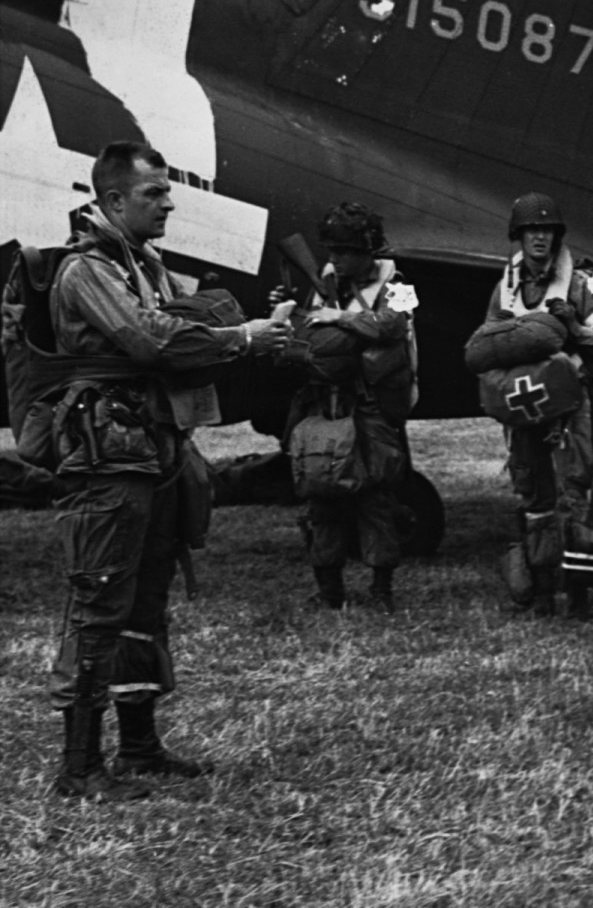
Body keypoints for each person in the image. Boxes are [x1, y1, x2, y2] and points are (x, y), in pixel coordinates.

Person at [30, 142, 288, 800]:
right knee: (99, 603)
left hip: (153, 451)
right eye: (154, 193)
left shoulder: (138, 264)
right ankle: (81, 766)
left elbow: (192, 316)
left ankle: (139, 745)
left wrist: (252, 322)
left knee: (145, 603)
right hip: (109, 457)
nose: (169, 202)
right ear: (115, 200)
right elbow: (157, 341)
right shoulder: (86, 271)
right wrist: (246, 338)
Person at [278, 202, 417, 612]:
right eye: (330, 251)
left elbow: (394, 323)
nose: (333, 259)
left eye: (342, 252)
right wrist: (290, 307)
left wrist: (339, 316)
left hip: (371, 407)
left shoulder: (399, 281)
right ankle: (329, 590)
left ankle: (381, 591)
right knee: (322, 494)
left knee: (376, 497)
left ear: (366, 252)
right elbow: (310, 329)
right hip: (328, 403)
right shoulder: (327, 279)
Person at [485, 193, 593, 617]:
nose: (539, 237)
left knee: (573, 491)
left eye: (546, 230)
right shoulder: (506, 286)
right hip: (524, 399)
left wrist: (575, 326)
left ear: (557, 235)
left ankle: (578, 595)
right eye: (530, 230)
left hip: (569, 401)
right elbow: (488, 337)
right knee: (533, 493)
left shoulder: (583, 282)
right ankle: (542, 589)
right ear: (518, 235)